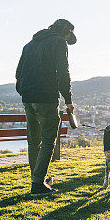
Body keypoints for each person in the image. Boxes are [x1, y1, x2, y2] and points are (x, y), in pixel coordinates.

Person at [15, 18, 76, 197]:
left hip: (28, 98)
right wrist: (68, 99)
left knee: (33, 141)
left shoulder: (29, 44)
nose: (67, 40)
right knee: (49, 140)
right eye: (68, 36)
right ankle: (37, 184)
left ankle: (37, 177)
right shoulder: (59, 42)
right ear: (66, 32)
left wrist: (23, 91)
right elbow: (63, 71)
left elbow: (18, 72)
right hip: (46, 98)